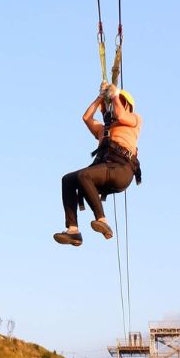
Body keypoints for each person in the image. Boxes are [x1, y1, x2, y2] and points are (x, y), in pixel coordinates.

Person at [55, 82, 142, 246]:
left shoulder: (134, 119)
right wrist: (100, 98)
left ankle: (102, 220)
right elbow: (86, 118)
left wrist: (115, 95)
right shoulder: (103, 130)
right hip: (105, 170)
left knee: (83, 175)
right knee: (68, 179)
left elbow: (121, 115)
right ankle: (73, 231)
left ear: (127, 105)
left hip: (122, 170)